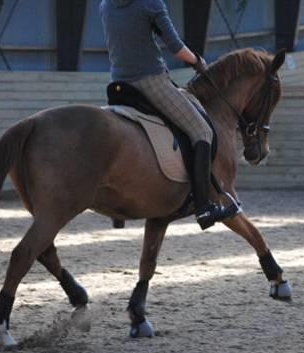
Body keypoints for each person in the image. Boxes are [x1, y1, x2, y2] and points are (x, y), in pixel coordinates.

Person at [100, 0, 237, 230]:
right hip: (151, 82)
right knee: (202, 131)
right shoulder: (150, 3)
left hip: (119, 84)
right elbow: (176, 48)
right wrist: (197, 62)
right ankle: (204, 207)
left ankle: (117, 212)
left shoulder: (105, 4)